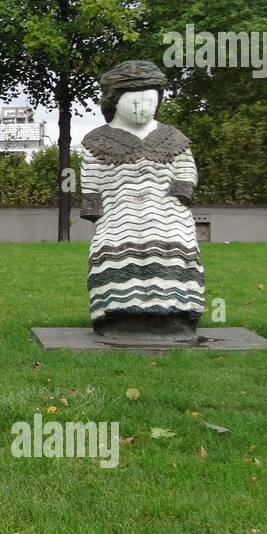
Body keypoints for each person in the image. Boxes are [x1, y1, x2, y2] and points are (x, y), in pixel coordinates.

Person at [79, 60, 204, 343]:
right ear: (115, 100)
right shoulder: (96, 141)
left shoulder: (173, 138)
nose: (142, 107)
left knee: (173, 252)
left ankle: (174, 318)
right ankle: (120, 317)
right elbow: (91, 179)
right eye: (134, 101)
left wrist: (177, 199)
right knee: (114, 254)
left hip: (169, 216)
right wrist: (94, 210)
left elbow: (186, 170)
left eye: (150, 100)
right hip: (117, 217)